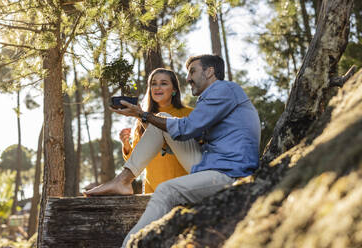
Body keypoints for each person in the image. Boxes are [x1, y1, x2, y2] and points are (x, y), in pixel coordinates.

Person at [84, 54, 261, 247]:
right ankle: (123, 181)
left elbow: (186, 128)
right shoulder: (211, 98)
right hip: (210, 163)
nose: (187, 78)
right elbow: (199, 138)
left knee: (167, 189)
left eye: (193, 71)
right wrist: (146, 122)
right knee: (162, 118)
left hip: (230, 173)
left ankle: (129, 245)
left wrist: (142, 114)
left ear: (210, 72)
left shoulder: (224, 89)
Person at [119, 68, 193, 193]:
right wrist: (126, 145)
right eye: (153, 84)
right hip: (152, 189)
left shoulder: (189, 114)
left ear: (174, 90)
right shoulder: (141, 119)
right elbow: (137, 160)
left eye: (163, 83)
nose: (157, 87)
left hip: (183, 187)